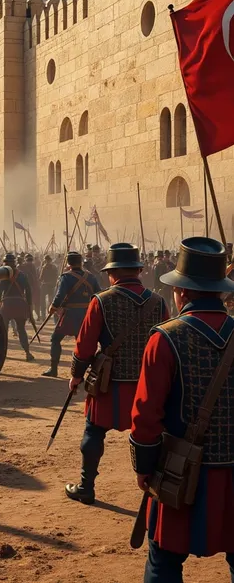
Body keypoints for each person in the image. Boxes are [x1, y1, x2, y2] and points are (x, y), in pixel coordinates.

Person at [131, 237, 234, 583]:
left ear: (183, 293)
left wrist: (144, 468)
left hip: (181, 473)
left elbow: (145, 416)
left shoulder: (165, 338)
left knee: (163, 564)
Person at [66, 243, 168, 504]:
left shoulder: (101, 301)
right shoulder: (158, 302)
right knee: (156, 435)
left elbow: (85, 344)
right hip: (149, 384)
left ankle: (86, 487)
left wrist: (76, 375)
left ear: (112, 273)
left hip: (109, 385)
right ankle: (157, 488)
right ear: (139, 271)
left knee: (93, 432)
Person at [42, 252, 100, 378]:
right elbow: (98, 294)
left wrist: (54, 306)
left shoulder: (66, 277)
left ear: (68, 263)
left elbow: (60, 294)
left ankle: (53, 369)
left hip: (70, 315)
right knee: (82, 343)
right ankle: (86, 373)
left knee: (55, 339)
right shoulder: (91, 277)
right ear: (80, 262)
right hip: (86, 314)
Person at [0, 253, 34, 361]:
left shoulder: (3, 275)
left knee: (3, 331)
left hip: (7, 305)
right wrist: (29, 305)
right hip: (20, 305)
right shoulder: (22, 275)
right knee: (21, 330)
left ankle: (2, 353)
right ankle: (27, 353)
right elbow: (29, 291)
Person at [21, 254, 41, 320]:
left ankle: (30, 316)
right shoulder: (33, 266)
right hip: (35, 287)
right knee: (35, 303)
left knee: (29, 303)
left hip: (29, 287)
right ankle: (36, 316)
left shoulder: (25, 266)